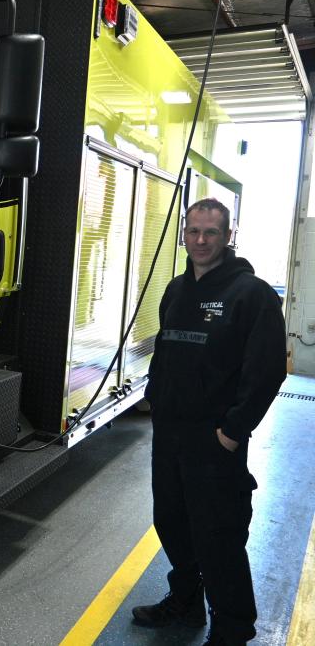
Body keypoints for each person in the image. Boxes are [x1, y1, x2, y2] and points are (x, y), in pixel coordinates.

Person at [132, 198, 286, 645]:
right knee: (172, 523)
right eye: (193, 231)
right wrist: (155, 401)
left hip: (215, 441)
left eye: (210, 232)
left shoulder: (251, 295)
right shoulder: (177, 290)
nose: (200, 240)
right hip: (171, 435)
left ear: (228, 236)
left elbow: (266, 372)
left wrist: (233, 432)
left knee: (218, 538)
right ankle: (185, 602)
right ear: (184, 233)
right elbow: (166, 351)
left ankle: (233, 628)